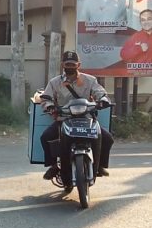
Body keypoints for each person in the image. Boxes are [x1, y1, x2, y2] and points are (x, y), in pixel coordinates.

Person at [39, 51, 114, 193]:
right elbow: (45, 98)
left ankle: (99, 165)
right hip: (64, 119)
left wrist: (103, 100)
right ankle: (54, 166)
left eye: (73, 64)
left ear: (78, 65)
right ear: (63, 64)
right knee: (45, 137)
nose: (70, 67)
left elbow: (100, 92)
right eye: (67, 64)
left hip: (86, 119)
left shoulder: (90, 80)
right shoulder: (54, 82)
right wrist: (50, 106)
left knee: (108, 138)